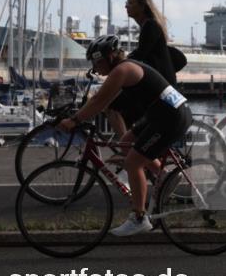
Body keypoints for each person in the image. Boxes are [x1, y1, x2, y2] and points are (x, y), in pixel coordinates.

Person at [58, 35, 192, 236]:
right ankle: (163, 175)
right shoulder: (126, 67)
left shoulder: (122, 70)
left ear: (109, 57)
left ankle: (139, 218)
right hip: (164, 114)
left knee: (133, 163)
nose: (95, 69)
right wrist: (81, 113)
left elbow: (99, 101)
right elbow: (105, 102)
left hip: (170, 118)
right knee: (126, 141)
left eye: (96, 63)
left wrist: (74, 120)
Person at [105, 0, 177, 138]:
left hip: (157, 86)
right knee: (129, 116)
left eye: (130, 3)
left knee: (112, 107)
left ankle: (125, 146)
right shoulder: (149, 25)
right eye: (127, 3)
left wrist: (119, 62)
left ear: (142, 6)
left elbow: (140, 54)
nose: (126, 6)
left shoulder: (150, 25)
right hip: (160, 84)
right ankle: (133, 144)